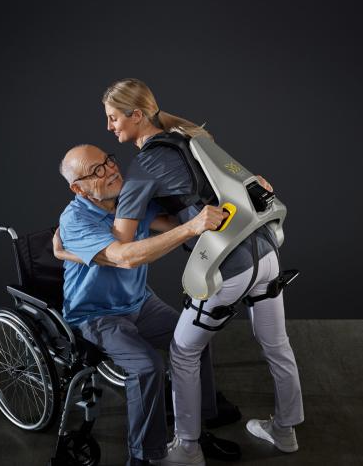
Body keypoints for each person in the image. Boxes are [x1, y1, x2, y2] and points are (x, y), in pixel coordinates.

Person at [102, 78, 305, 464]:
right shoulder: (192, 138)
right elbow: (250, 184)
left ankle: (188, 448)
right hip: (265, 253)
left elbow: (122, 242)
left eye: (114, 118)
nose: (110, 127)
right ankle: (284, 431)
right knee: (277, 345)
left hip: (226, 266)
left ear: (137, 115)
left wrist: (112, 214)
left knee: (182, 353)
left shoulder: (144, 165)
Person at [55, 144, 238, 466]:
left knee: (196, 339)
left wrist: (235, 198)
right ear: (77, 188)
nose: (111, 169)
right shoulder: (74, 219)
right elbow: (125, 258)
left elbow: (173, 224)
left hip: (141, 302)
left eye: (108, 160)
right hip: (96, 315)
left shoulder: (130, 199)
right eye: (96, 170)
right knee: (147, 367)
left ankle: (196, 430)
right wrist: (192, 227)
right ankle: (142, 457)